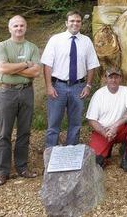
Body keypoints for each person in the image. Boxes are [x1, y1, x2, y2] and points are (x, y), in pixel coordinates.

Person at [0, 15, 41, 186]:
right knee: (4, 133)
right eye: (15, 26)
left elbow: (35, 72)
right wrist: (25, 65)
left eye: (21, 25)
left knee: (24, 131)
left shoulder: (32, 47)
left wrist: (13, 69)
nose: (19, 28)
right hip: (8, 92)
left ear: (25, 27)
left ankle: (22, 167)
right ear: (9, 28)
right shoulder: (2, 46)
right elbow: (3, 68)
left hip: (27, 92)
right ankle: (2, 171)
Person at [42, 10, 100, 148]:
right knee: (54, 122)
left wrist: (88, 86)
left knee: (75, 123)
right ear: (66, 23)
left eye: (78, 21)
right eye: (72, 21)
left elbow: (91, 65)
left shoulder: (86, 41)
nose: (75, 23)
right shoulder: (55, 40)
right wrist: (49, 86)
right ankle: (50, 152)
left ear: (81, 23)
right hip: (58, 87)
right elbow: (47, 64)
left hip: (78, 87)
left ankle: (71, 152)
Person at [86, 67, 127, 172]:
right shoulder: (98, 94)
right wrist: (105, 133)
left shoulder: (125, 90)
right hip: (103, 131)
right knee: (96, 163)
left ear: (120, 78)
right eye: (110, 77)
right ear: (105, 79)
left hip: (119, 130)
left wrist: (115, 126)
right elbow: (91, 120)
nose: (113, 80)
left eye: (116, 77)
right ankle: (106, 151)